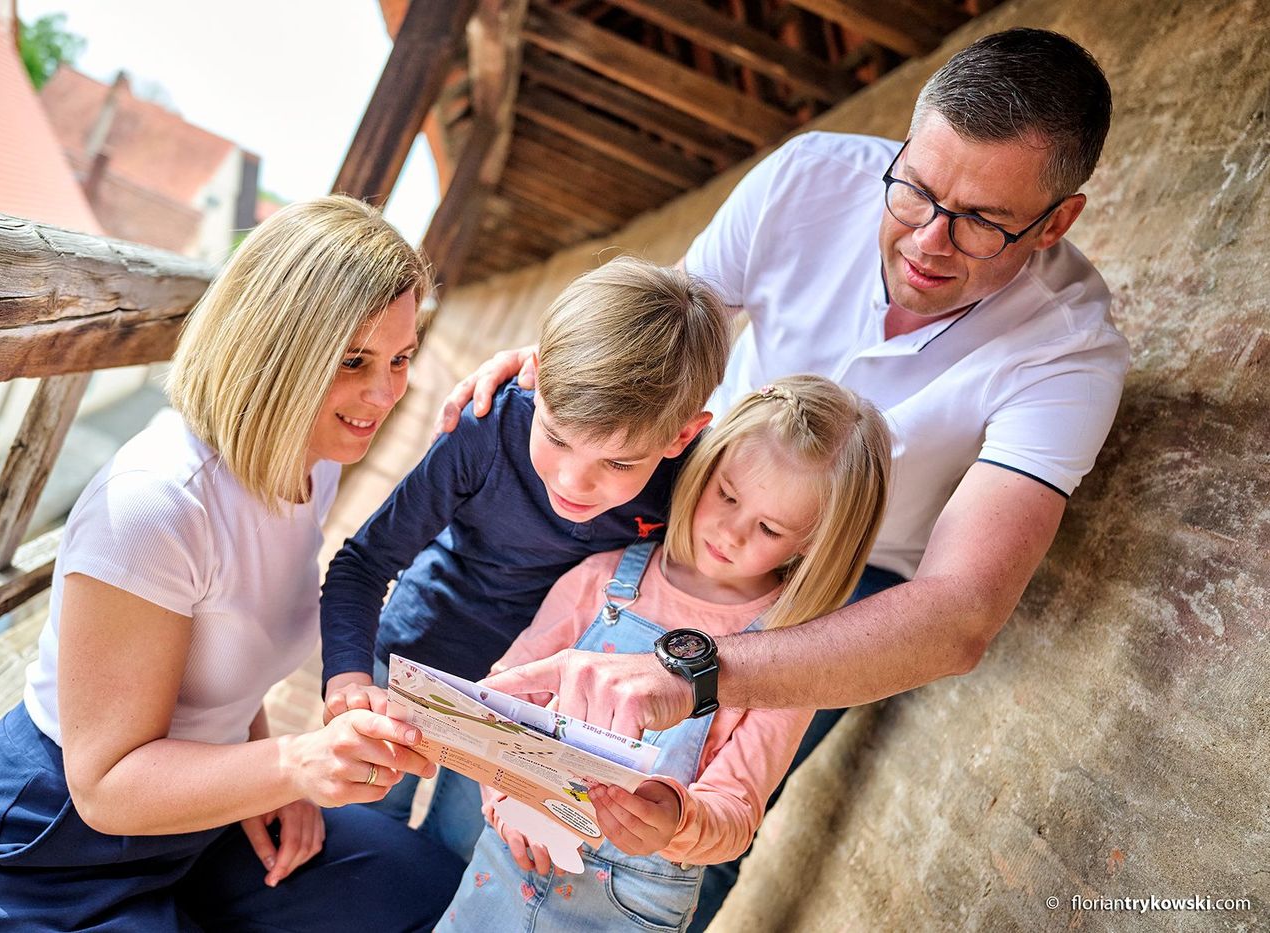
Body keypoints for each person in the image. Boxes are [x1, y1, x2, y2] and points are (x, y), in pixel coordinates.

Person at [445, 28, 1129, 927]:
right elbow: (664, 327)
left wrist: (701, 671)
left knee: (715, 803)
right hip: (706, 484)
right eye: (915, 189)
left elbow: (961, 613)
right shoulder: (808, 177)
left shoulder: (1073, 352)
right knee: (517, 732)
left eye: (982, 221)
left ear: (1056, 222)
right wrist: (562, 367)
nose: (928, 240)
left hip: (851, 575)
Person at [0, 196, 465, 932]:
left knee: (423, 885)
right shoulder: (155, 503)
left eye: (401, 358)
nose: (385, 393)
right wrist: (294, 765)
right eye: (353, 361)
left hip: (195, 822)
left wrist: (271, 771)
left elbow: (222, 658)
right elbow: (105, 785)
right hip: (49, 857)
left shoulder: (314, 456)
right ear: (278, 349)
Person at [437, 375, 891, 931]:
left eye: (770, 528)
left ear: (815, 543)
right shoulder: (603, 579)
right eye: (726, 494)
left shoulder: (788, 660)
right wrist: (506, 796)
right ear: (705, 464)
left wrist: (676, 818)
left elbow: (738, 811)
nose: (732, 532)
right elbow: (503, 696)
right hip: (508, 860)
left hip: (630, 907)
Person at [318, 257, 732, 861]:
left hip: (534, 712)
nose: (572, 481)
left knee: (459, 856)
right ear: (534, 376)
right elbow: (362, 562)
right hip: (413, 664)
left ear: (681, 438)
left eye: (618, 464)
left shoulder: (688, 491)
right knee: (354, 844)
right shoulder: (486, 429)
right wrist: (348, 682)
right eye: (557, 437)